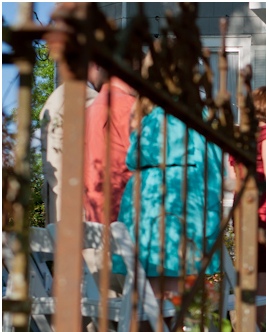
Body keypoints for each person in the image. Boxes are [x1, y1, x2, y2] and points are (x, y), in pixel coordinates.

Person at [117, 98, 223, 296]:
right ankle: (174, 326)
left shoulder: (147, 121)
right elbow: (212, 165)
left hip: (144, 201)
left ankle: (154, 326)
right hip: (184, 197)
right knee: (179, 287)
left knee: (147, 288)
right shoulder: (194, 115)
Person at [230, 85, 266, 327]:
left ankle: (239, 331)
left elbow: (234, 177)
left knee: (246, 272)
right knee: (263, 277)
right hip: (264, 206)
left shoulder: (240, 134)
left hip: (242, 206)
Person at [41, 62, 102, 224]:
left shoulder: (57, 97)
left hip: (57, 199)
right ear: (94, 65)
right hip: (79, 205)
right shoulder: (88, 97)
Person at [83, 75, 137, 224]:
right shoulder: (126, 105)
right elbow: (146, 157)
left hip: (95, 212)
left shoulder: (91, 109)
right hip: (124, 213)